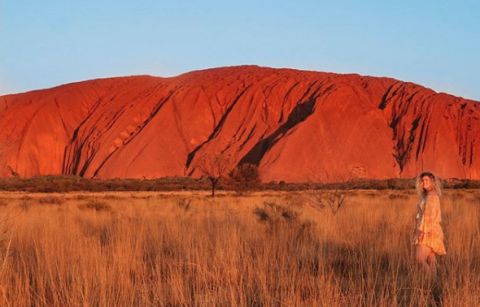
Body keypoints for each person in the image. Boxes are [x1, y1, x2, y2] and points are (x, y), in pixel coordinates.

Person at [412, 171, 446, 277]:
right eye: (422, 180)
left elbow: (429, 217)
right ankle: (435, 285)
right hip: (431, 230)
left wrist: (420, 232)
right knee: (431, 260)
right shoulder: (427, 195)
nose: (424, 182)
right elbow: (421, 214)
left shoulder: (431, 196)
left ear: (432, 182)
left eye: (427, 180)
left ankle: (429, 282)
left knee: (419, 259)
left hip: (428, 232)